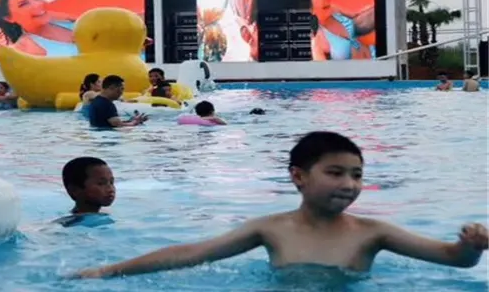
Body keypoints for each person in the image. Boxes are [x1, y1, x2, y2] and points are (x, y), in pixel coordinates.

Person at [72, 131, 488, 279]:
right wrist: (107, 271)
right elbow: (191, 253)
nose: (349, 184)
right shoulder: (270, 229)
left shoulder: (373, 233)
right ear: (298, 176)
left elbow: (453, 260)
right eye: (335, 172)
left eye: (357, 175)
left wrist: (470, 246)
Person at [0, 0, 77, 57]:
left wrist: (68, 17)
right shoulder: (24, 49)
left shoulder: (63, 20)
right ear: (9, 18)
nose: (38, 4)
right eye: (23, 4)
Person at [309, 0, 376, 61]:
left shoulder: (333, 9)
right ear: (311, 10)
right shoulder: (317, 43)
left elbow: (357, 15)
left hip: (373, 53)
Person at [56, 157, 115, 225]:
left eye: (111, 182)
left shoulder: (103, 213)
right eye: (101, 183)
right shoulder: (70, 223)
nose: (110, 189)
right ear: (74, 189)